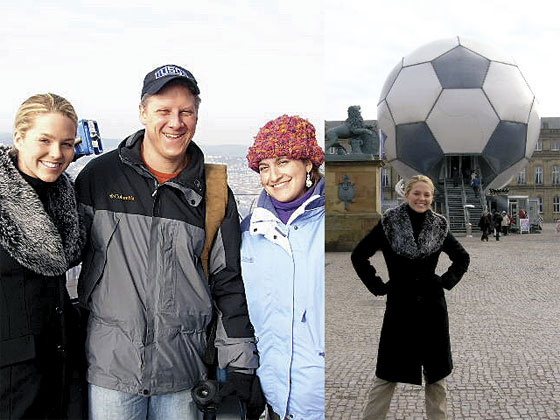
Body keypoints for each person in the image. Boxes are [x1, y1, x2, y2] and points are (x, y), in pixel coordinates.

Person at [75, 65, 260, 419]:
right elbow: (62, 253)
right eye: (163, 110)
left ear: (196, 115)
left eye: (185, 111)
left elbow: (228, 284)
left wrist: (240, 366)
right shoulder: (100, 176)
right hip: (110, 371)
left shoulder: (215, 193)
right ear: (143, 112)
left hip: (183, 375)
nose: (175, 122)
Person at [351, 175, 470, 420]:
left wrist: (444, 281)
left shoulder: (439, 225)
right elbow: (359, 255)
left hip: (432, 308)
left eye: (427, 195)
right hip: (400, 307)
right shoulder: (389, 223)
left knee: (437, 377)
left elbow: (462, 258)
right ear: (406, 195)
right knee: (386, 374)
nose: (422, 199)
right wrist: (378, 286)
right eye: (417, 193)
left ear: (432, 198)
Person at [0, 93, 86, 419]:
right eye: (45, 140)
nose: (57, 153)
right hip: (11, 380)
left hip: (63, 370)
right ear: (19, 138)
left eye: (67, 143)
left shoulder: (64, 197)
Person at [241, 115, 325, 420]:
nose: (273, 175)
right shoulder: (250, 233)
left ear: (308, 164)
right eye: (264, 167)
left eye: (284, 161)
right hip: (276, 398)